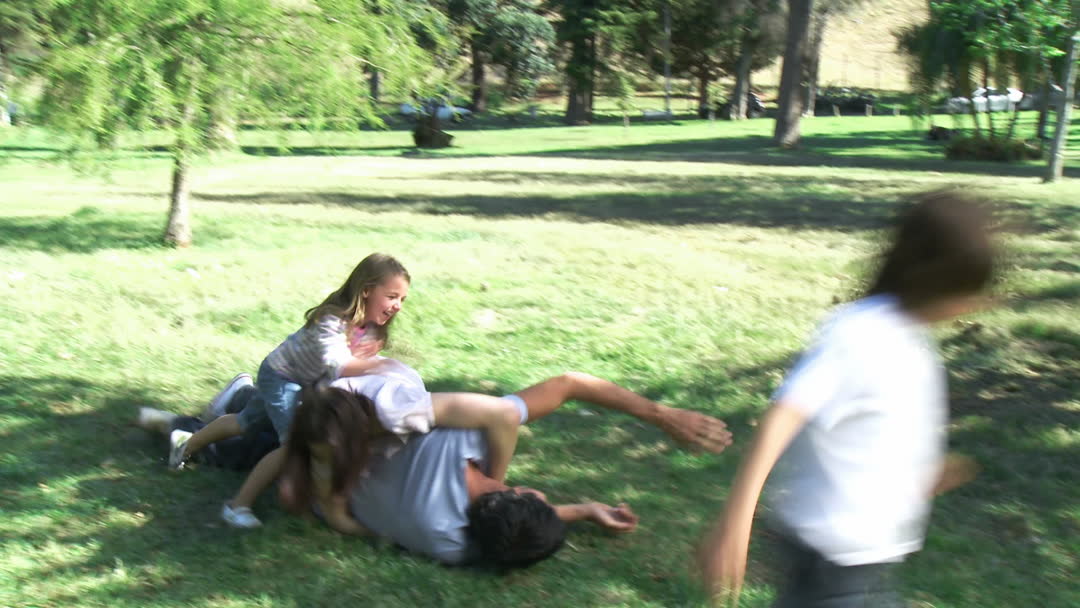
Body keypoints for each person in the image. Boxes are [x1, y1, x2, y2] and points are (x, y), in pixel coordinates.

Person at [697, 190, 996, 607]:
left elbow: (868, 430)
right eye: (967, 289)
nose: (974, 303)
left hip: (865, 558)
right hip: (831, 559)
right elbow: (782, 416)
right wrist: (735, 523)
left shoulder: (906, 335)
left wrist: (916, 476)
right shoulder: (860, 334)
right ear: (936, 279)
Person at [143, 364, 733, 566]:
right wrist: (577, 513)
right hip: (340, 427)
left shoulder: (466, 437)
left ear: (517, 492)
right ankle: (213, 417)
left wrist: (663, 416)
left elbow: (569, 384)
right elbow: (495, 536)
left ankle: (208, 420)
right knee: (268, 437)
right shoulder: (449, 544)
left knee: (260, 440)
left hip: (323, 433)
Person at [169, 253, 522, 529]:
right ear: (366, 290)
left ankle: (186, 444)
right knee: (292, 444)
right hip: (281, 376)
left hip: (302, 379)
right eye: (392, 296)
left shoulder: (368, 327)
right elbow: (338, 365)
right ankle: (237, 505)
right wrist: (380, 366)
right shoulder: (332, 320)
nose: (397, 305)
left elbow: (347, 369)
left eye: (402, 299)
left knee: (244, 422)